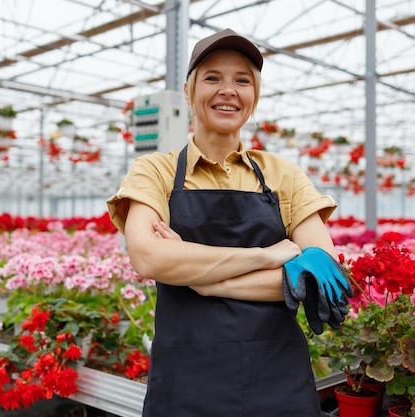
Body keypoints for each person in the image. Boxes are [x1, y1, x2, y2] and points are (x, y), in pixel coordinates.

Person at [107, 28, 349, 417]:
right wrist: (269, 256)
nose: (228, 90)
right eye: (212, 78)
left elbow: (316, 278)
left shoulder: (284, 175)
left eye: (242, 80)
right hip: (186, 381)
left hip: (278, 377)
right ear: (188, 91)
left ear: (254, 96)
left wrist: (197, 278)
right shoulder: (155, 171)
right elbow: (149, 258)